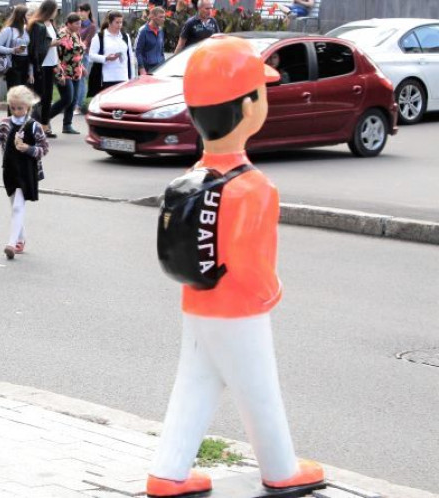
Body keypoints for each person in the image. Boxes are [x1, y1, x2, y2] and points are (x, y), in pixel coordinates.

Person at [147, 35, 325, 497]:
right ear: (249, 109)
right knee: (260, 391)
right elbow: (253, 264)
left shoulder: (192, 176)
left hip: (196, 301)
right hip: (240, 311)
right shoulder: (254, 187)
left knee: (195, 385)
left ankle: (168, 471)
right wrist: (272, 294)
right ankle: (281, 469)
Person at [0, 86, 49, 260]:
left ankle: (11, 244)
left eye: (20, 108)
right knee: (14, 205)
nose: (16, 111)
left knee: (17, 206)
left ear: (28, 107)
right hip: (10, 169)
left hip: (27, 171)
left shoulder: (34, 126)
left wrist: (28, 149)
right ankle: (21, 239)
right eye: (13, 107)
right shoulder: (4, 123)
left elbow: (44, 149)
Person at [27, 0, 60, 138]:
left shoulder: (50, 24)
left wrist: (57, 63)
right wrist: (54, 43)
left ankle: (44, 126)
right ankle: (35, 127)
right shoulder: (37, 25)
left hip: (51, 64)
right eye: (55, 10)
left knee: (47, 97)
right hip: (41, 65)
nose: (57, 12)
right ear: (49, 10)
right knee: (41, 97)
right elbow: (37, 47)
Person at [50, 13, 85, 135]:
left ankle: (67, 125)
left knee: (73, 99)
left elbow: (78, 53)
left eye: (80, 23)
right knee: (67, 98)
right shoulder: (62, 34)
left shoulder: (76, 34)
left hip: (76, 71)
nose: (79, 26)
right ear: (68, 24)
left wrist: (82, 67)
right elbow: (56, 55)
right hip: (64, 71)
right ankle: (44, 117)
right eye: (76, 24)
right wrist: (58, 73)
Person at [88, 11, 134, 92]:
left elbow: (130, 57)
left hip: (123, 77)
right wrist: (106, 58)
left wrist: (132, 77)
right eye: (117, 22)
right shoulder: (99, 37)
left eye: (121, 22)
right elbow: (91, 56)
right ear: (109, 22)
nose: (120, 25)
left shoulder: (125, 36)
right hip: (106, 78)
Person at [0, 5, 33, 92]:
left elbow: (30, 51)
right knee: (14, 93)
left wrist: (31, 72)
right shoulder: (8, 30)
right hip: (13, 63)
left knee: (23, 94)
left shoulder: (27, 30)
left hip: (25, 63)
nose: (30, 18)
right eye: (28, 15)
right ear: (21, 16)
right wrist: (12, 50)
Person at [74, 3, 97, 115]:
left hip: (84, 55)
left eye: (82, 11)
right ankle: (74, 104)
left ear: (88, 11)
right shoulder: (78, 24)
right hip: (74, 54)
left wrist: (77, 45)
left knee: (81, 79)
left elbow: (87, 42)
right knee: (74, 79)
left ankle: (79, 105)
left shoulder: (91, 26)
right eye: (79, 11)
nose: (80, 13)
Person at [135, 6, 166, 75]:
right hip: (147, 69)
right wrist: (141, 68)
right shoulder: (143, 31)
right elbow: (138, 51)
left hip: (159, 68)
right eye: (161, 17)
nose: (163, 19)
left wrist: (164, 64)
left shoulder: (161, 30)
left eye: (164, 17)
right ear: (152, 17)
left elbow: (161, 50)